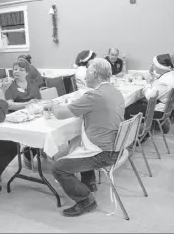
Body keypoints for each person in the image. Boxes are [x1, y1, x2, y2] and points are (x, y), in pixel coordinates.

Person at [50, 58, 125, 217]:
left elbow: (60, 114)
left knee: (58, 168)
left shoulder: (94, 96)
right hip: (116, 146)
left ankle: (86, 201)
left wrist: (51, 105)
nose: (84, 77)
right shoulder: (114, 91)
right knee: (77, 144)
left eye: (87, 73)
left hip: (103, 152)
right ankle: (89, 181)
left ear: (96, 74)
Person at [124, 54, 174, 134]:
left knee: (127, 108)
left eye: (154, 64)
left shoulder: (164, 82)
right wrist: (152, 73)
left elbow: (150, 97)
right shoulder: (169, 76)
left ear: (160, 66)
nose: (152, 66)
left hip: (158, 111)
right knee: (136, 102)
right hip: (164, 108)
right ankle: (153, 126)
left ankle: (133, 134)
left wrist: (147, 84)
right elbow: (158, 83)